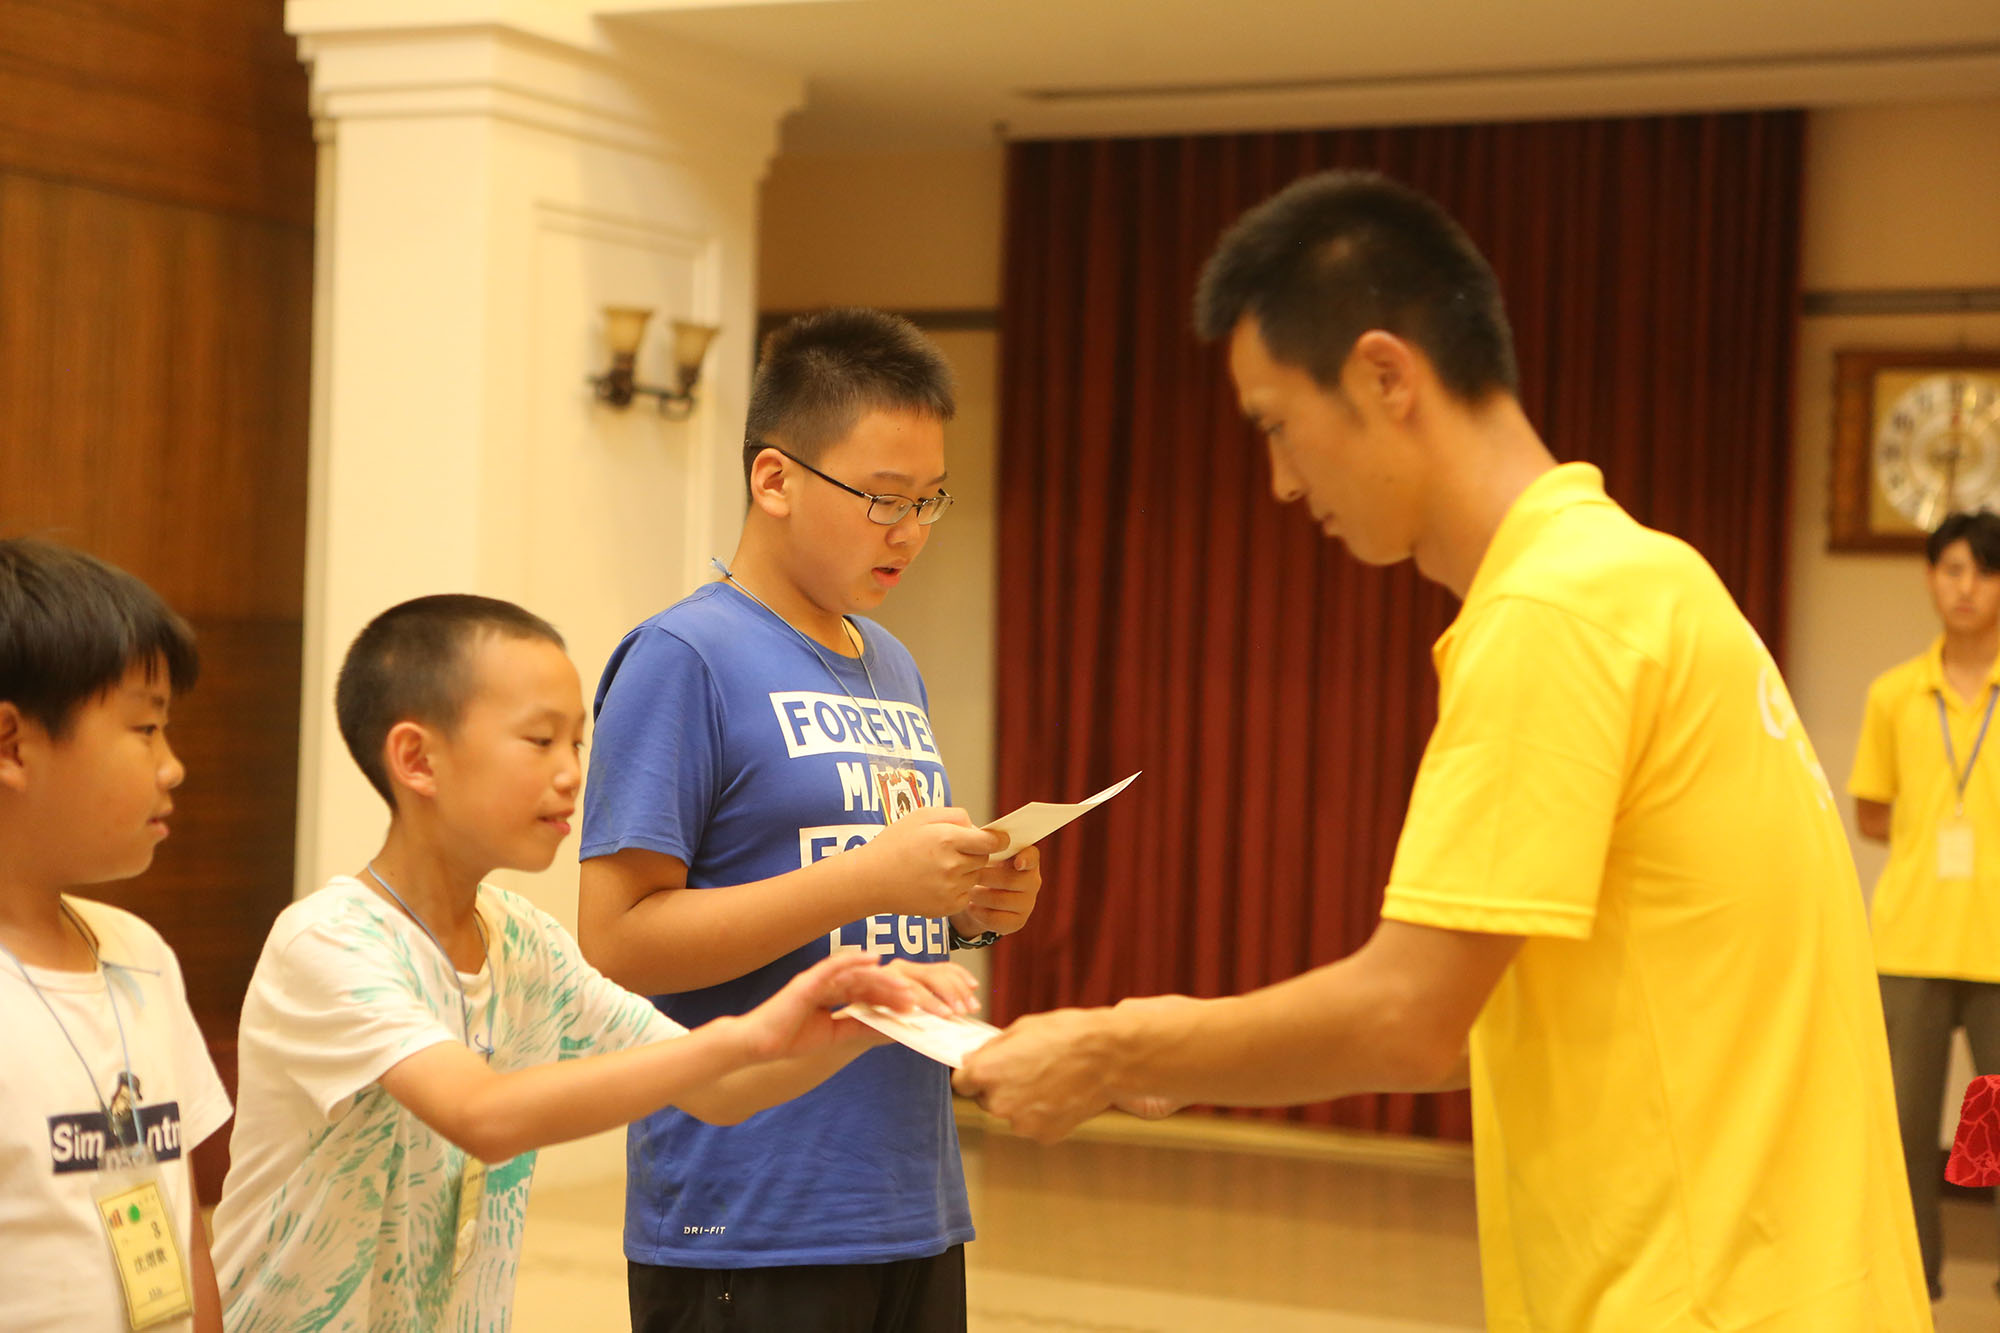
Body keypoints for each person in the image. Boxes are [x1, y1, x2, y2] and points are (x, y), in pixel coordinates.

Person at [952, 170, 1932, 1331]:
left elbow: (1407, 1017)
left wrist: (1114, 1049)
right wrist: (1194, 1053)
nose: (1280, 481)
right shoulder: (1649, 578)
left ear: (1384, 374)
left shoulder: (1552, 613)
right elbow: (1494, 1014)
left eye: (1275, 425)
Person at [209, 594, 969, 1330]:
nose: (573, 773)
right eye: (540, 740)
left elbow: (718, 1090)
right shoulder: (330, 943)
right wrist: (747, 1035)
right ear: (417, 758)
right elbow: (483, 1115)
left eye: (577, 743)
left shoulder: (524, 942)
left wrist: (856, 1024)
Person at [578, 308, 1042, 1332]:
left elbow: (862, 895)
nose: (909, 530)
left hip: (909, 1197)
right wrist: (870, 877)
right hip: (748, 1210)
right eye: (883, 497)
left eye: (928, 499)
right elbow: (615, 941)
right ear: (775, 479)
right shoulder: (682, 657)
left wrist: (971, 903)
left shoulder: (892, 662)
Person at [0, 538, 231, 1333]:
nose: (173, 766)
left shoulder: (141, 953)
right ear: (11, 743)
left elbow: (186, 1226)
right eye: (145, 727)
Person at [1851, 509, 2000, 1301]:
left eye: (1985, 570)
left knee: (1997, 1134)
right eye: (1952, 568)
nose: (1967, 586)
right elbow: (1872, 813)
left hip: (1997, 950)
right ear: (1930, 578)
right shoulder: (1894, 693)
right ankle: (1914, 1293)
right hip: (1908, 946)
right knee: (1904, 1133)